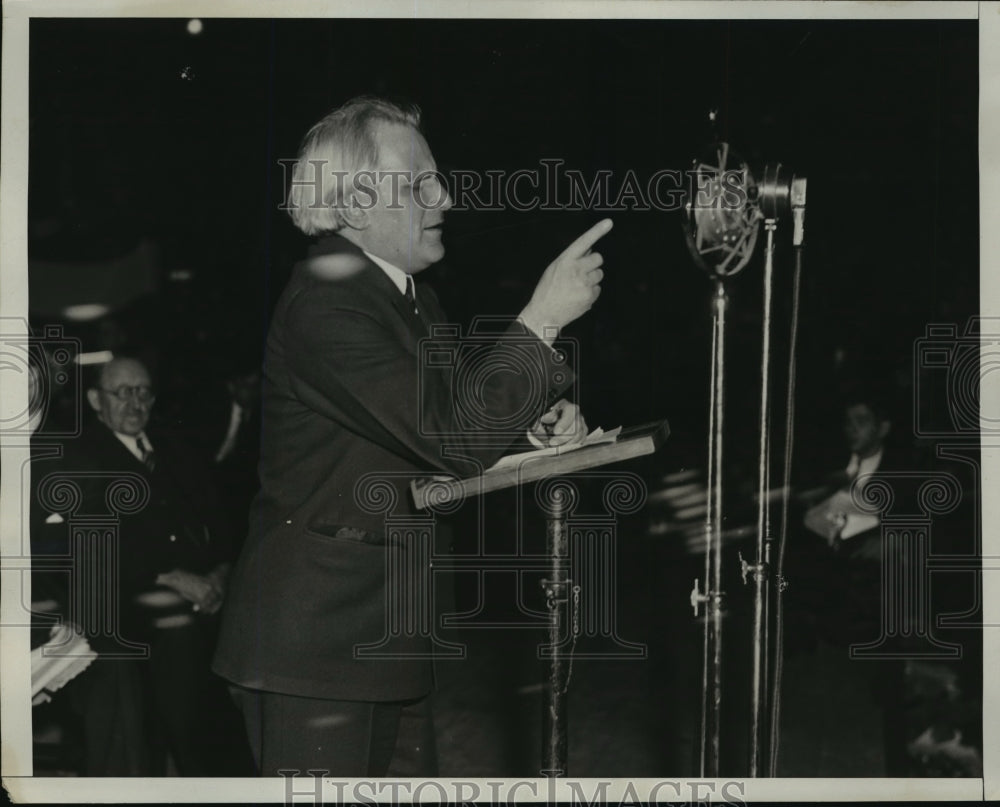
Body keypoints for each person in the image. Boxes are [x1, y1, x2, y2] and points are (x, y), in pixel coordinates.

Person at [212, 96, 611, 777]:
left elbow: (451, 431)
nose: (445, 196)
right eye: (420, 182)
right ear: (359, 203)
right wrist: (541, 318)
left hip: (386, 637)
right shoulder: (327, 298)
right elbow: (452, 435)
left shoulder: (409, 299)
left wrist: (532, 431)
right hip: (318, 649)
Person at [32, 356, 250, 775]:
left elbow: (219, 521)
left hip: (205, 590)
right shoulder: (78, 456)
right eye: (122, 392)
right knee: (176, 634)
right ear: (96, 400)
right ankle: (197, 771)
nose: (135, 403)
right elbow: (90, 544)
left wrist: (221, 572)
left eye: (143, 391)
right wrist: (171, 577)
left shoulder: (173, 446)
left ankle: (230, 766)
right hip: (127, 598)